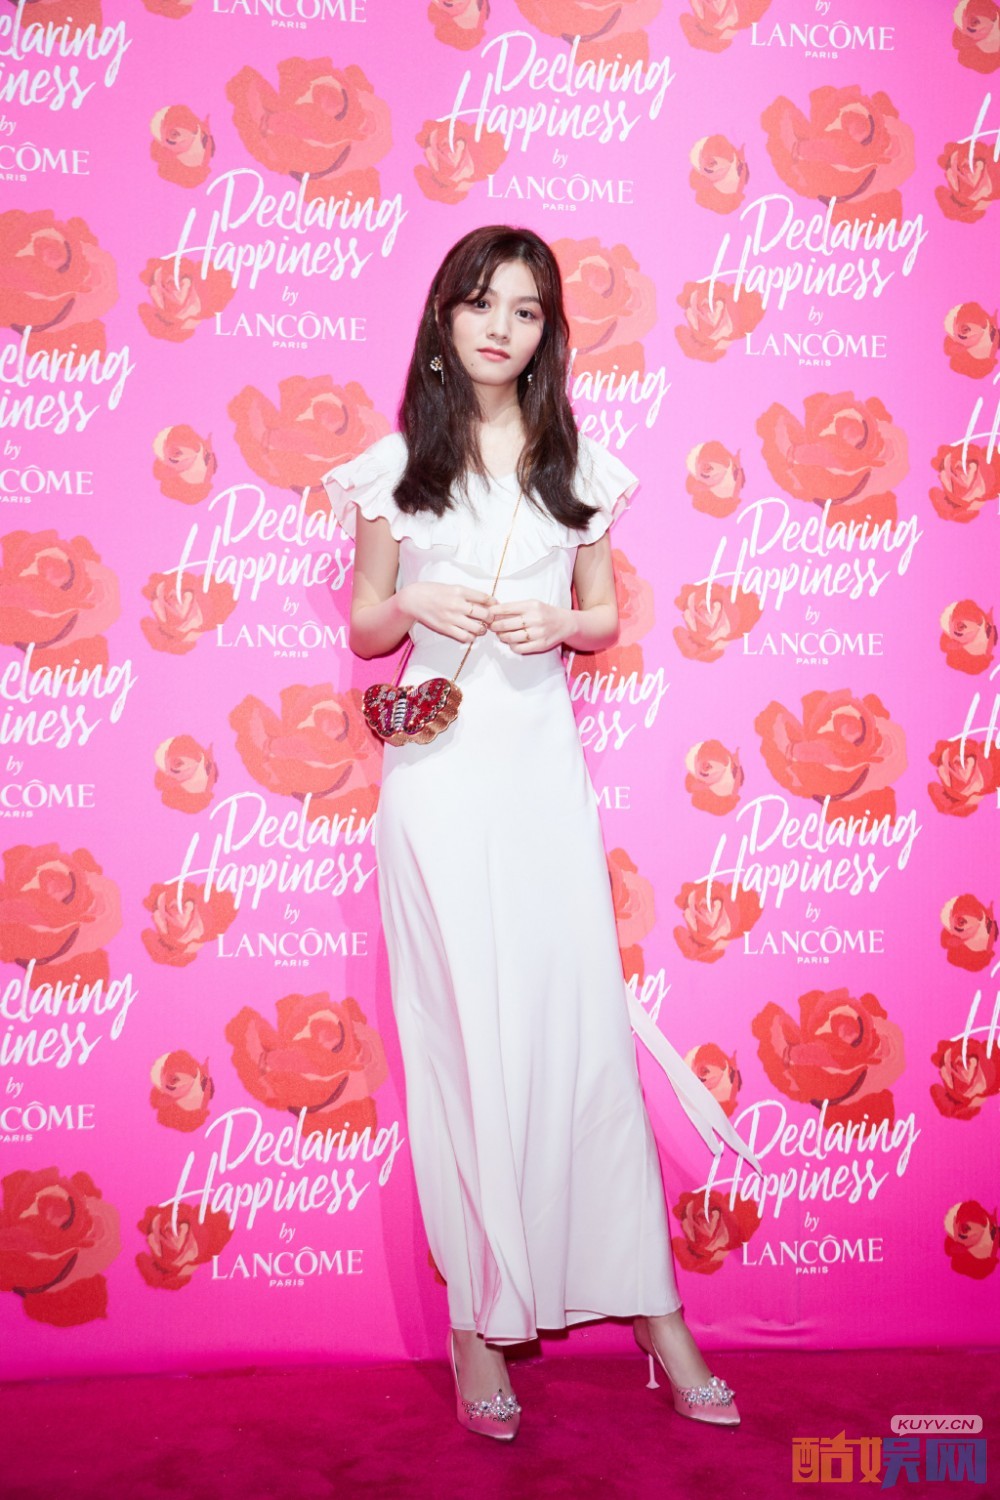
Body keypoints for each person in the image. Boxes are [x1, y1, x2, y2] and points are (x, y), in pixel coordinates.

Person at [321, 225, 761, 1442]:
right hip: (436, 780)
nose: (500, 327)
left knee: (579, 1039)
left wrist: (559, 627)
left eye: (523, 310)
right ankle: (479, 1326)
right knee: (464, 1043)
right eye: (479, 304)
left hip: (539, 776)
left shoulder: (583, 468)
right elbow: (365, 625)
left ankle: (656, 1314)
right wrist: (414, 597)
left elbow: (604, 615)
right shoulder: (393, 466)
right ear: (444, 319)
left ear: (547, 333)